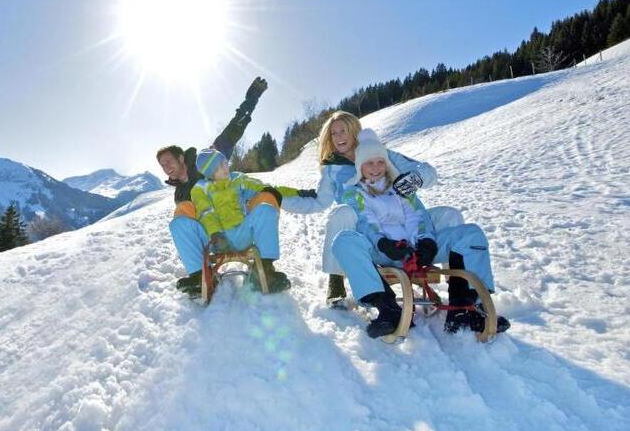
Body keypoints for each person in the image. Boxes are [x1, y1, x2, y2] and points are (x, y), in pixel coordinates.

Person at [331, 129, 510, 338]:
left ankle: (464, 309)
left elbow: (419, 216)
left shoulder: (400, 187)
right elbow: (366, 223)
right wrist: (384, 244)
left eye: (380, 162)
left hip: (417, 250)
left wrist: (427, 242)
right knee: (343, 241)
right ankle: (388, 311)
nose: (376, 168)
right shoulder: (355, 192)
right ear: (359, 166)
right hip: (384, 252)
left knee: (471, 234)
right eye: (369, 163)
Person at [281, 110, 464, 306]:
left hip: (403, 224)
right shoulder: (332, 169)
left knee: (450, 216)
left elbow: (427, 172)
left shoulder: (380, 154)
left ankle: (458, 283)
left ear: (354, 132)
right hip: (366, 230)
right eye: (333, 133)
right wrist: (280, 200)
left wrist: (415, 179)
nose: (338, 137)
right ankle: (336, 279)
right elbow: (318, 202)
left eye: (343, 131)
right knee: (342, 213)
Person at [157, 78, 268, 294]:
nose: (166, 167)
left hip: (234, 223)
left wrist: (251, 100)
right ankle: (199, 277)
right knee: (179, 222)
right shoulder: (179, 193)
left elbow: (231, 133)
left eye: (168, 161)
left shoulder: (206, 164)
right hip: (212, 235)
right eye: (162, 165)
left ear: (181, 158)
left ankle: (265, 268)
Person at [180, 148, 299, 294]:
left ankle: (265, 272)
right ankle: (198, 277)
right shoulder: (200, 188)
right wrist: (215, 234)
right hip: (215, 241)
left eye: (225, 163)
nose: (226, 167)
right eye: (220, 166)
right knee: (179, 224)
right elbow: (206, 212)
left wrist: (298, 193)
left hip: (241, 235)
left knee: (265, 209)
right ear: (210, 173)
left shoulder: (238, 179)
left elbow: (263, 188)